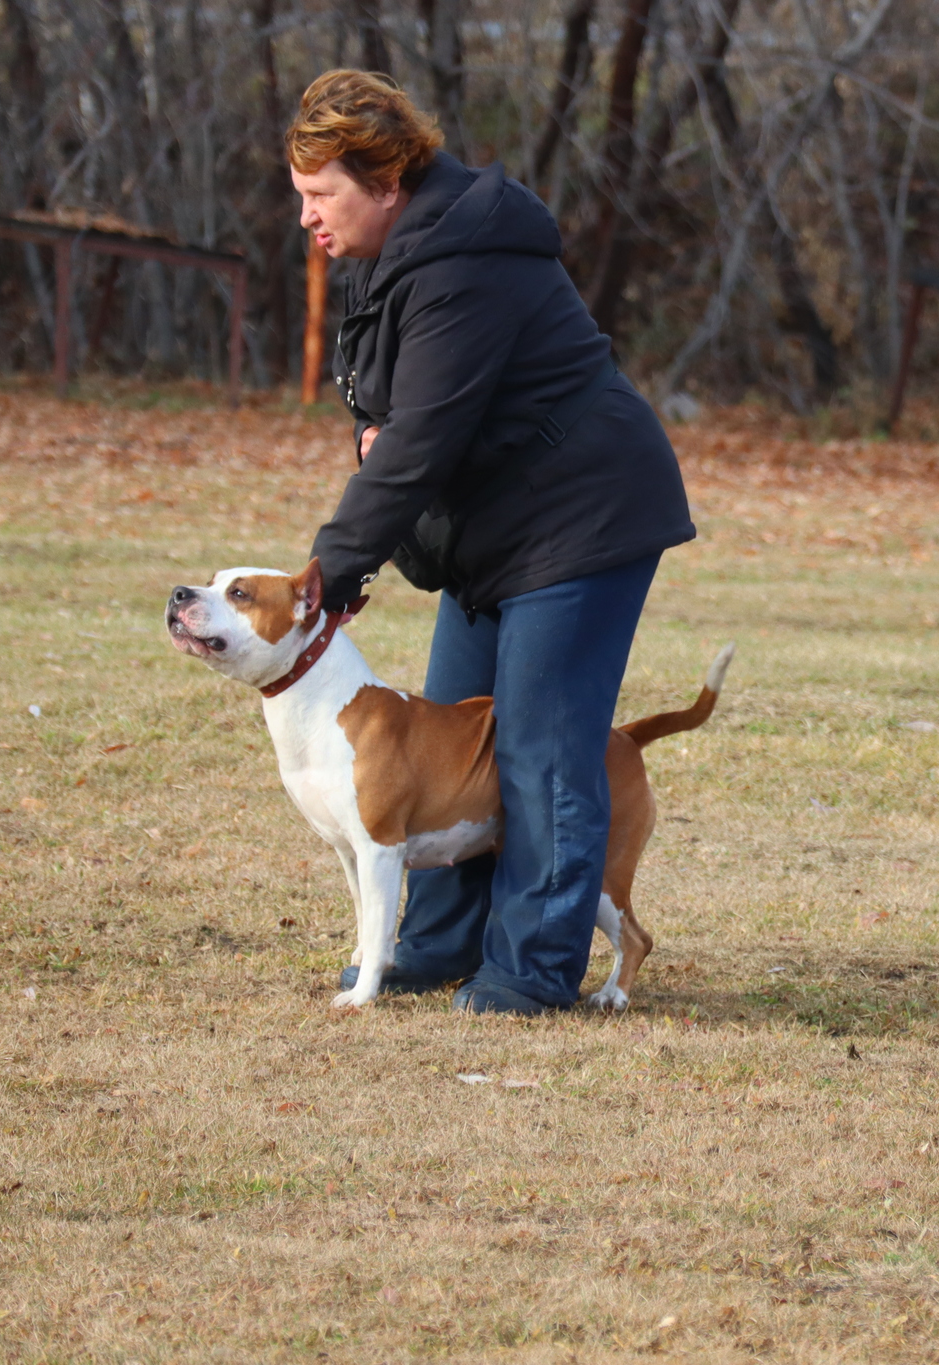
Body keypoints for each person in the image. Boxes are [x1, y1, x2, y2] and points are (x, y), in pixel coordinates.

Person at [286, 71, 695, 1016]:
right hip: (492, 529)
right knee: (450, 745)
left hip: (582, 516)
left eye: (321, 194)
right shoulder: (398, 254)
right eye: (301, 195)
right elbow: (403, 424)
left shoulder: (466, 258)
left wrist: (332, 569)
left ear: (385, 181)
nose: (306, 216)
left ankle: (532, 968)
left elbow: (424, 437)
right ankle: (433, 945)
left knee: (544, 750)